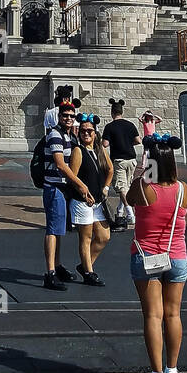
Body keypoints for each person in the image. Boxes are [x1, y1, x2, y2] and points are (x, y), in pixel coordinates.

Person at [127, 133, 187, 373]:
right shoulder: (183, 189)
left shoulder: (144, 188)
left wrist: (143, 170)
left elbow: (129, 198)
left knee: (153, 315)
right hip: (177, 256)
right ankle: (172, 371)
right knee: (173, 313)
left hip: (148, 257)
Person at [42, 102, 94, 290]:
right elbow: (61, 165)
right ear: (59, 116)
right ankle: (50, 273)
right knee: (53, 230)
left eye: (72, 116)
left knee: (59, 229)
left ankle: (57, 265)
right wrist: (81, 185)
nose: (69, 118)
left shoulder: (68, 135)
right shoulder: (55, 134)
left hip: (63, 188)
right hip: (54, 187)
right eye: (65, 115)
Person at [69, 115, 113, 285]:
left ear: (95, 133)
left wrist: (106, 187)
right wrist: (83, 191)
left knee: (103, 236)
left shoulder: (99, 150)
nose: (86, 133)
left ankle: (85, 265)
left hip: (98, 201)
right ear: (79, 133)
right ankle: (89, 272)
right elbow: (72, 176)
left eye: (89, 131)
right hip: (82, 202)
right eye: (83, 131)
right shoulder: (78, 151)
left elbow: (110, 170)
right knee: (86, 238)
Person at [102, 98, 141, 228]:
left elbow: (105, 144)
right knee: (126, 187)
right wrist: (128, 143)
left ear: (112, 112)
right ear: (122, 111)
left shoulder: (109, 127)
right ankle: (120, 211)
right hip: (132, 159)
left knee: (121, 187)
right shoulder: (130, 125)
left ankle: (130, 214)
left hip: (119, 160)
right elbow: (138, 140)